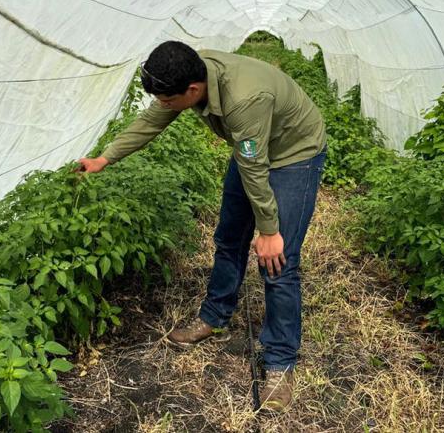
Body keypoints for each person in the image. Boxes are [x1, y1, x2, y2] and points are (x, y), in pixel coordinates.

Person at [77, 41, 327, 413]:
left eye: (166, 99)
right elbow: (151, 121)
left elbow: (256, 168)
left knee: (278, 261)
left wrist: (270, 231)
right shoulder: (193, 73)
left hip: (294, 155)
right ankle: (215, 317)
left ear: (192, 92)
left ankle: (280, 360)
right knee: (229, 238)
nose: (162, 105)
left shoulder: (245, 100)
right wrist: (105, 158)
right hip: (253, 150)